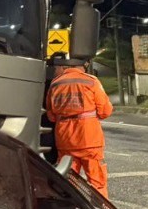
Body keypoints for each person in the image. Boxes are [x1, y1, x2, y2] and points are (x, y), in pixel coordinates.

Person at [46, 54, 114, 195]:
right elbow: (105, 111)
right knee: (97, 181)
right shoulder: (91, 81)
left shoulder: (55, 84)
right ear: (81, 66)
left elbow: (51, 116)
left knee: (68, 179)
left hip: (65, 139)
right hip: (89, 138)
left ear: (64, 67)